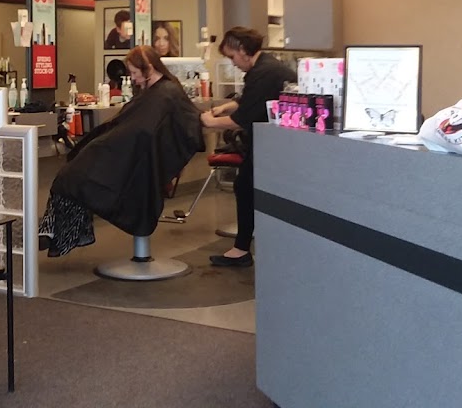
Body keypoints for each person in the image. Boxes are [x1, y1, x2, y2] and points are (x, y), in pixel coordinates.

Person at [38, 45, 204, 257]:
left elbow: (182, 123)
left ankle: (56, 230)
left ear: (149, 68)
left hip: (139, 160)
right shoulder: (156, 91)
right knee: (70, 175)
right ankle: (55, 229)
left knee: (73, 177)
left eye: (134, 72)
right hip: (129, 153)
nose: (132, 78)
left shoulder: (167, 92)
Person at [201, 27, 296, 268]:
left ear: (243, 50)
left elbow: (243, 119)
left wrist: (211, 122)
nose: (233, 63)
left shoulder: (263, 73)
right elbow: (250, 100)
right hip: (277, 142)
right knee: (247, 186)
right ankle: (246, 246)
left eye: (232, 56)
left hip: (271, 144)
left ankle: (241, 250)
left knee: (245, 187)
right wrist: (226, 107)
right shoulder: (268, 67)